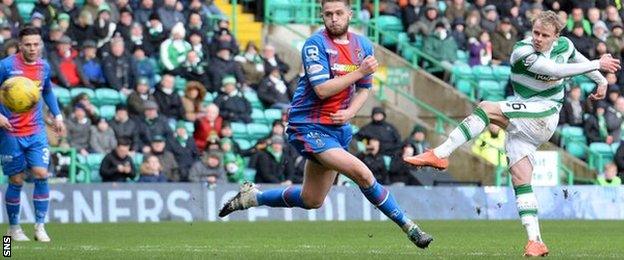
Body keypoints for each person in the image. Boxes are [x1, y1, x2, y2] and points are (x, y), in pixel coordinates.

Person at [404, 11, 621, 256]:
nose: (538, 38)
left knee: (486, 107)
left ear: (556, 36)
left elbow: (577, 60)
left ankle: (441, 153)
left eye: (545, 35)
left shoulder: (566, 45)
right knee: (520, 178)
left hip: (545, 113)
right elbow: (555, 71)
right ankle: (535, 240)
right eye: (536, 32)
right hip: (528, 117)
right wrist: (598, 64)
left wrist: (601, 80)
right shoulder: (522, 51)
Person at [218, 0, 433, 249]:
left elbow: (364, 89)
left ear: (350, 14)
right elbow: (321, 90)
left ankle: (253, 197)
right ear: (322, 16)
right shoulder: (314, 45)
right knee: (363, 174)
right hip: (308, 125)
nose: (333, 18)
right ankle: (410, 227)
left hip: (338, 128)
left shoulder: (362, 45)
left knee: (312, 199)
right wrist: (359, 71)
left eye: (339, 13)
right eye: (328, 14)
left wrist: (351, 112)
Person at [0, 26, 65, 242]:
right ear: (20, 45)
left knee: (41, 174)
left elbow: (46, 90)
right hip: (11, 133)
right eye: (28, 44)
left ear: (41, 44)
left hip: (36, 131)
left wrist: (57, 116)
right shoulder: (6, 66)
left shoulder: (43, 67)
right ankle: (13, 230)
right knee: (16, 179)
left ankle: (40, 226)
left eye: (36, 44)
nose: (32, 48)